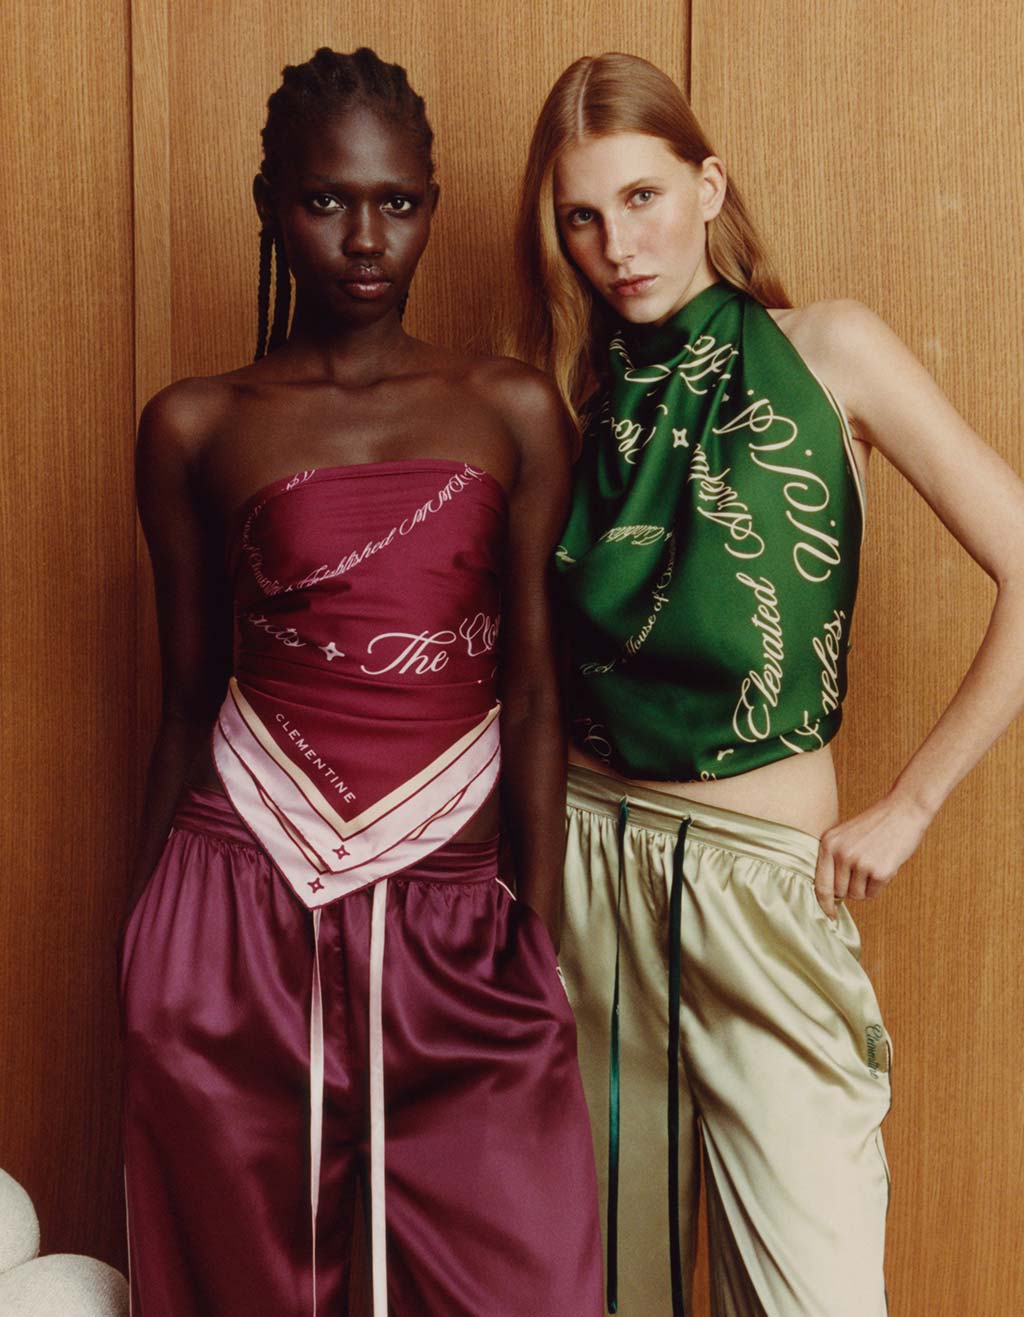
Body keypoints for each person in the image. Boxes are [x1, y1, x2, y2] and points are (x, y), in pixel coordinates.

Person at [512, 51, 1024, 1317]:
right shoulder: (564, 397)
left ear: (709, 187)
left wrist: (912, 805)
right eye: (582, 218)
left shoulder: (829, 350)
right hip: (586, 871)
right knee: (604, 1295)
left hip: (760, 886)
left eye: (644, 198)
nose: (619, 245)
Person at [119, 45, 602, 1317]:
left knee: (519, 1273)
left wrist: (541, 934)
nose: (367, 238)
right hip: (238, 902)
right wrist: (142, 943)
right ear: (272, 205)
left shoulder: (510, 407)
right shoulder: (195, 423)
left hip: (456, 903)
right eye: (328, 200)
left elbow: (534, 694)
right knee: (250, 1282)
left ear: (432, 205)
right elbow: (184, 701)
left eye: (398, 202)